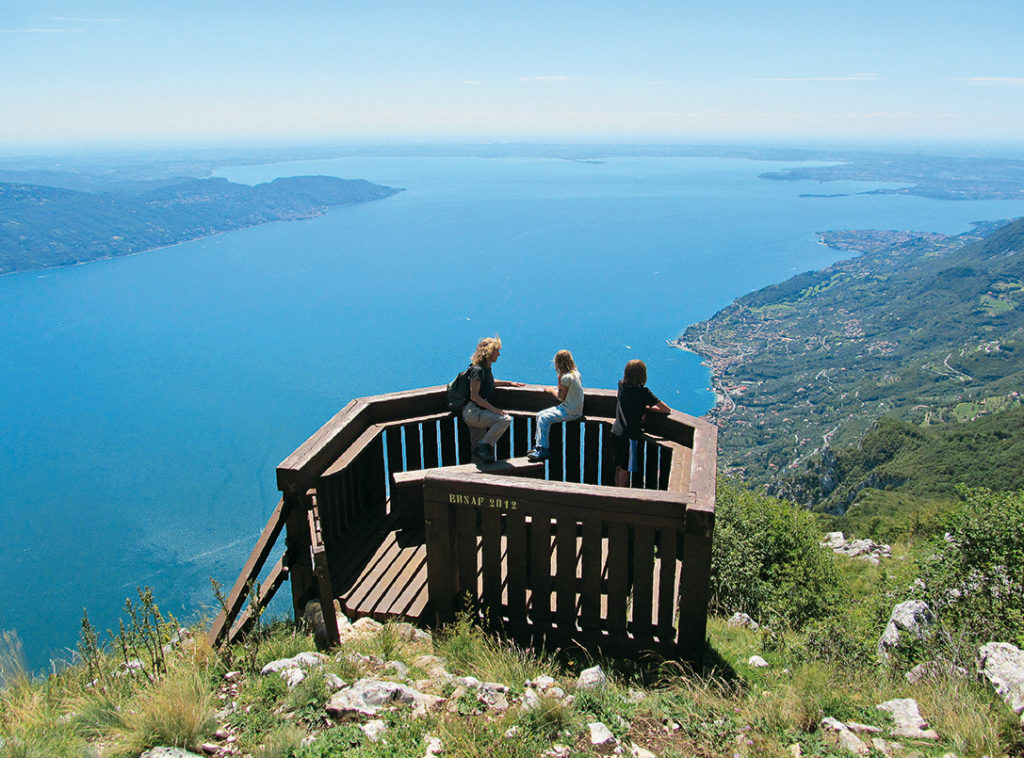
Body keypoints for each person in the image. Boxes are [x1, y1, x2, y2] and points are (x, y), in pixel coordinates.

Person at [463, 336, 524, 464]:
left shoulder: (485, 369)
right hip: (473, 413)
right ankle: (483, 446)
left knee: (477, 454)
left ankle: (476, 478)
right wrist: (495, 410)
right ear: (490, 352)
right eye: (497, 351)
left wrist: (509, 383)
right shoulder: (477, 370)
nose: (499, 354)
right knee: (505, 419)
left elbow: (489, 383)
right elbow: (474, 396)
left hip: (477, 412)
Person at [610, 359, 670, 486]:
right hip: (630, 435)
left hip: (615, 432)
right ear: (643, 375)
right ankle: (621, 496)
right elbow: (665, 409)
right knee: (625, 468)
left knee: (618, 465)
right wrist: (646, 407)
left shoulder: (621, 385)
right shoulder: (644, 393)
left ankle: (615, 490)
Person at [527, 349, 584, 462]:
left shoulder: (566, 378)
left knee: (543, 417)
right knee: (540, 415)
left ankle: (543, 449)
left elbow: (561, 397)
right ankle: (539, 445)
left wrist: (550, 390)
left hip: (570, 411)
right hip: (575, 409)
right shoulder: (576, 374)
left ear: (557, 363)